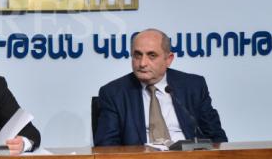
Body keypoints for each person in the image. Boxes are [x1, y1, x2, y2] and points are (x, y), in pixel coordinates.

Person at [94, 28, 227, 147]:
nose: (142, 63)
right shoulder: (114, 93)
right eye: (137, 55)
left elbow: (216, 137)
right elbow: (107, 146)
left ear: (168, 59)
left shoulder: (193, 86)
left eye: (152, 55)